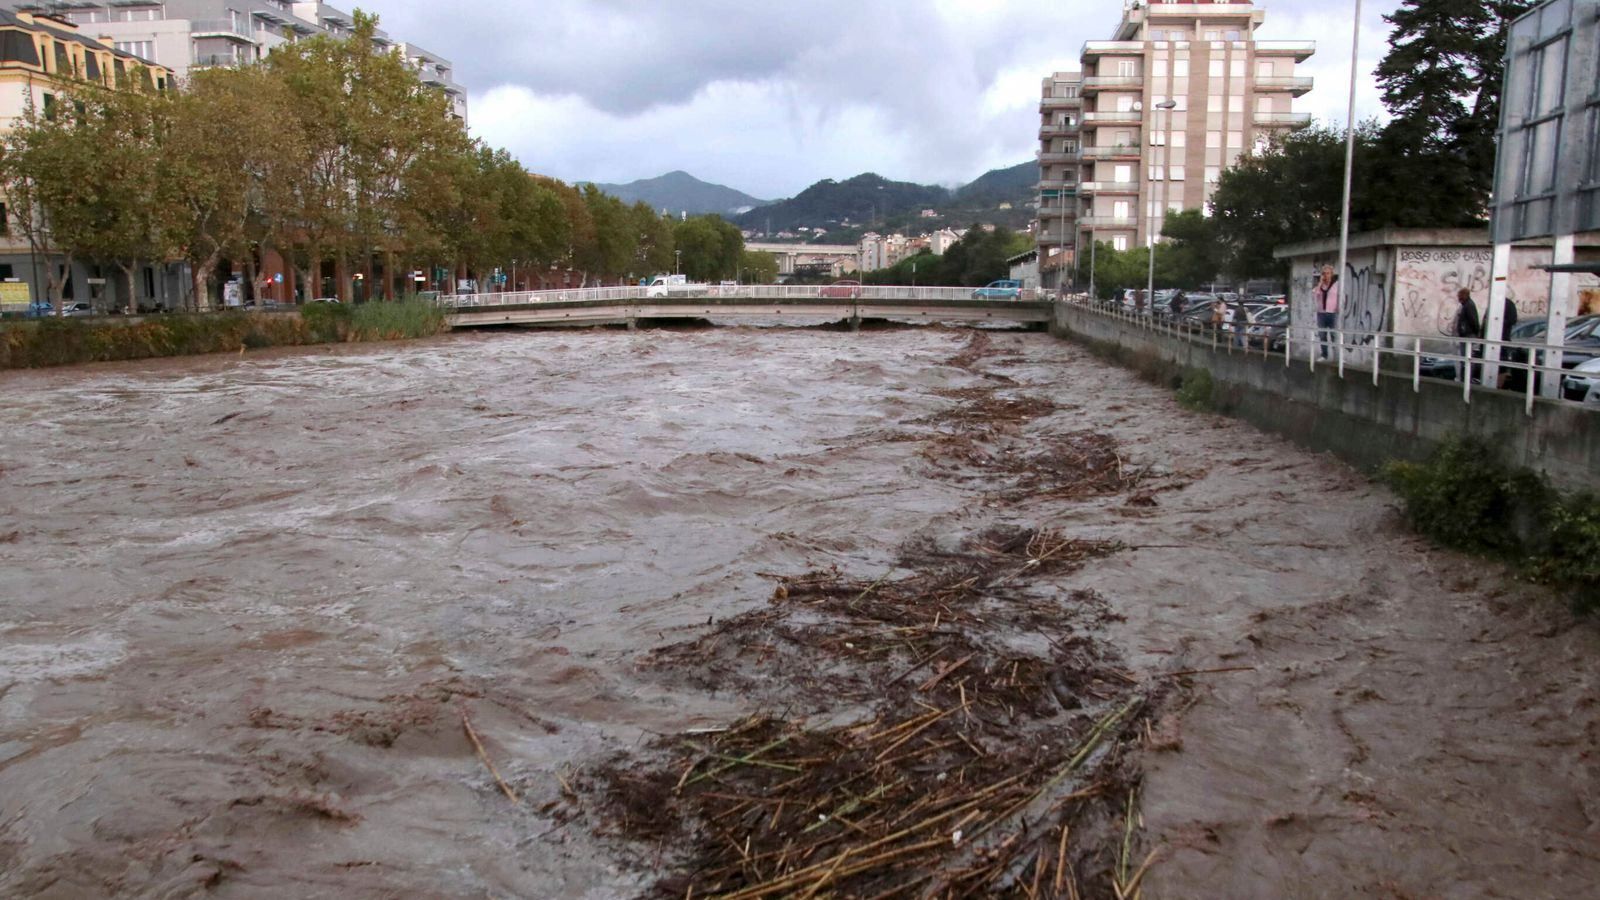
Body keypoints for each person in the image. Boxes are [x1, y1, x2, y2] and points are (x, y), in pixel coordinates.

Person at [1453, 288, 1482, 382]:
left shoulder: (1468, 305)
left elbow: (1473, 320)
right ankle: (1464, 378)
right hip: (1466, 335)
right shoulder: (1466, 305)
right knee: (1465, 358)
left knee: (1467, 358)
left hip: (1468, 335)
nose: (1458, 298)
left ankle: (1466, 378)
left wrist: (1475, 332)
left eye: (1459, 296)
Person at [1311, 264, 1339, 360]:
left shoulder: (1336, 285)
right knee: (1322, 335)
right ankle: (1324, 354)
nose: (1326, 275)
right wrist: (1320, 282)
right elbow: (1315, 293)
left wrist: (1338, 308)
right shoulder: (1321, 286)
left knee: (1334, 335)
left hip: (1332, 313)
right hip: (1321, 313)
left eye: (1328, 273)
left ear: (1332, 274)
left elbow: (1341, 297)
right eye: (1324, 273)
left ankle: (1337, 355)